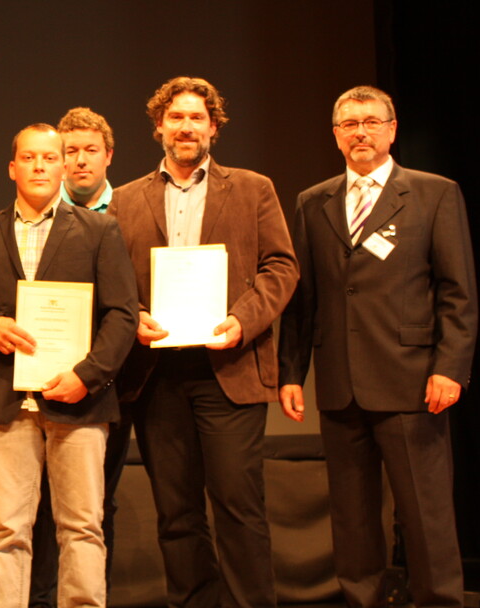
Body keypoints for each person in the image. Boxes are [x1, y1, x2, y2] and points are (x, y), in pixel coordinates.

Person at [278, 86, 476, 608]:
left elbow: (458, 292)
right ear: (336, 134)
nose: (359, 132)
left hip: (413, 382)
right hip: (341, 385)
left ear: (391, 128)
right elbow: (304, 299)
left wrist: (450, 366)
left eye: (370, 122)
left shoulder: (434, 193)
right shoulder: (313, 201)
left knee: (425, 515)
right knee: (352, 517)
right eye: (348, 124)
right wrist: (291, 373)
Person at [107, 76, 298, 608]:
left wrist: (243, 320)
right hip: (156, 376)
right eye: (176, 118)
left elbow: (281, 266)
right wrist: (136, 315)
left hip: (230, 367)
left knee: (239, 505)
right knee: (176, 511)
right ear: (158, 128)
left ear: (213, 127)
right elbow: (115, 282)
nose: (186, 126)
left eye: (196, 117)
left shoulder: (254, 188)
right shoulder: (125, 199)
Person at [0, 122, 137, 608]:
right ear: (12, 168)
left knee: (82, 527)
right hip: (3, 401)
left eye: (49, 158)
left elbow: (122, 314)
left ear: (64, 165)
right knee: (6, 528)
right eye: (28, 158)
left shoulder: (98, 230)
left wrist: (87, 376)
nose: (39, 167)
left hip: (78, 401)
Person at [30, 106, 119, 608]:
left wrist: (91, 373)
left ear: (108, 155)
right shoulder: (27, 218)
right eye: (70, 152)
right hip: (35, 387)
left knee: (95, 508)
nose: (79, 161)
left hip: (110, 383)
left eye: (90, 150)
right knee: (32, 515)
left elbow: (124, 306)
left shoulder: (128, 209)